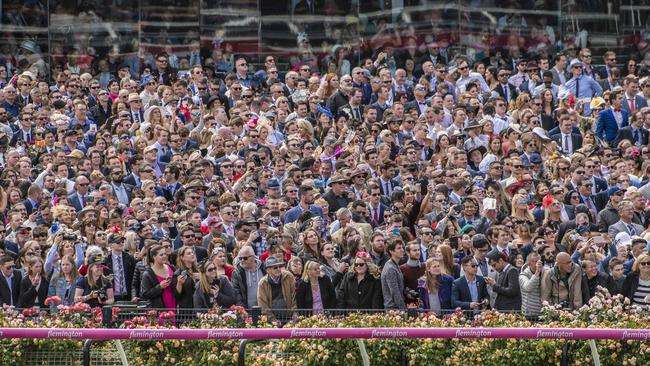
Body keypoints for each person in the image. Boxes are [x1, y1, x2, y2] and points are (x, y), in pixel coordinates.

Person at [257, 257, 296, 323]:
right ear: (268, 270)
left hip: (290, 318)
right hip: (272, 321)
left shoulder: (289, 277)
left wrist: (294, 313)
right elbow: (263, 304)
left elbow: (294, 297)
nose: (278, 269)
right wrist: (273, 320)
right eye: (275, 267)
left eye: (279, 266)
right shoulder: (262, 283)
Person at [140, 244, 178, 309]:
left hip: (173, 303)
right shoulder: (148, 274)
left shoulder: (171, 267)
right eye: (161, 255)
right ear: (154, 257)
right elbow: (145, 294)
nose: (165, 256)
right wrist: (160, 287)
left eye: (165, 254)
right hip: (157, 308)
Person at [381, 239, 406, 310]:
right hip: (393, 309)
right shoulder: (390, 268)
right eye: (399, 248)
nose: (402, 250)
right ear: (391, 251)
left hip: (395, 308)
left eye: (402, 247)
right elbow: (395, 292)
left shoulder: (395, 265)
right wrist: (403, 309)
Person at [519, 251, 544, 317]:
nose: (538, 264)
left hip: (544, 312)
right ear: (529, 263)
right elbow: (528, 288)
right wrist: (537, 273)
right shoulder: (523, 275)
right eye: (535, 262)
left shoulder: (545, 272)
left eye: (539, 261)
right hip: (529, 313)